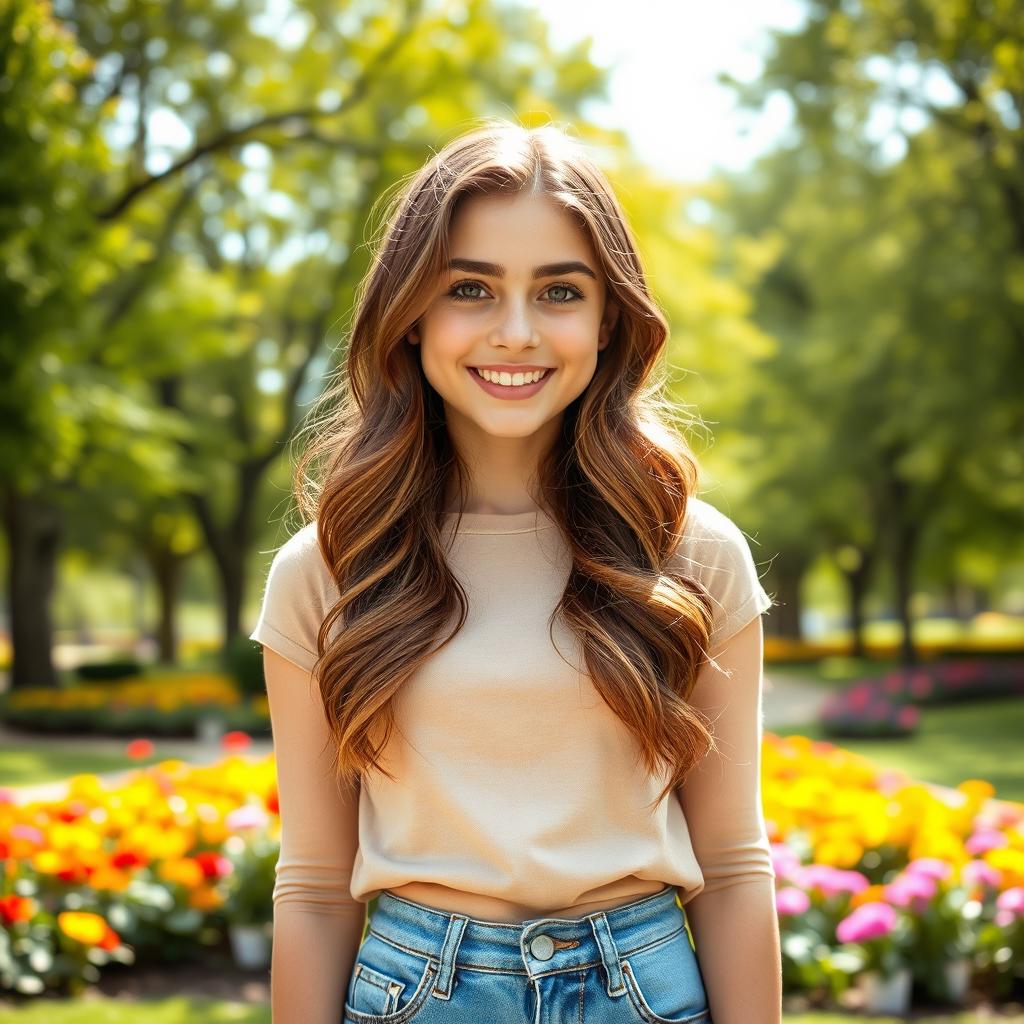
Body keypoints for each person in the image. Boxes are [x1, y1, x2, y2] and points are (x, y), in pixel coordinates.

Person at [249, 118, 782, 1024]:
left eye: (560, 291)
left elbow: (731, 864)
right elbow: (314, 885)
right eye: (471, 288)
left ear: (610, 319)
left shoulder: (692, 554)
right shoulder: (329, 570)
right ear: (411, 315)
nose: (517, 331)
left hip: (646, 995)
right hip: (416, 996)